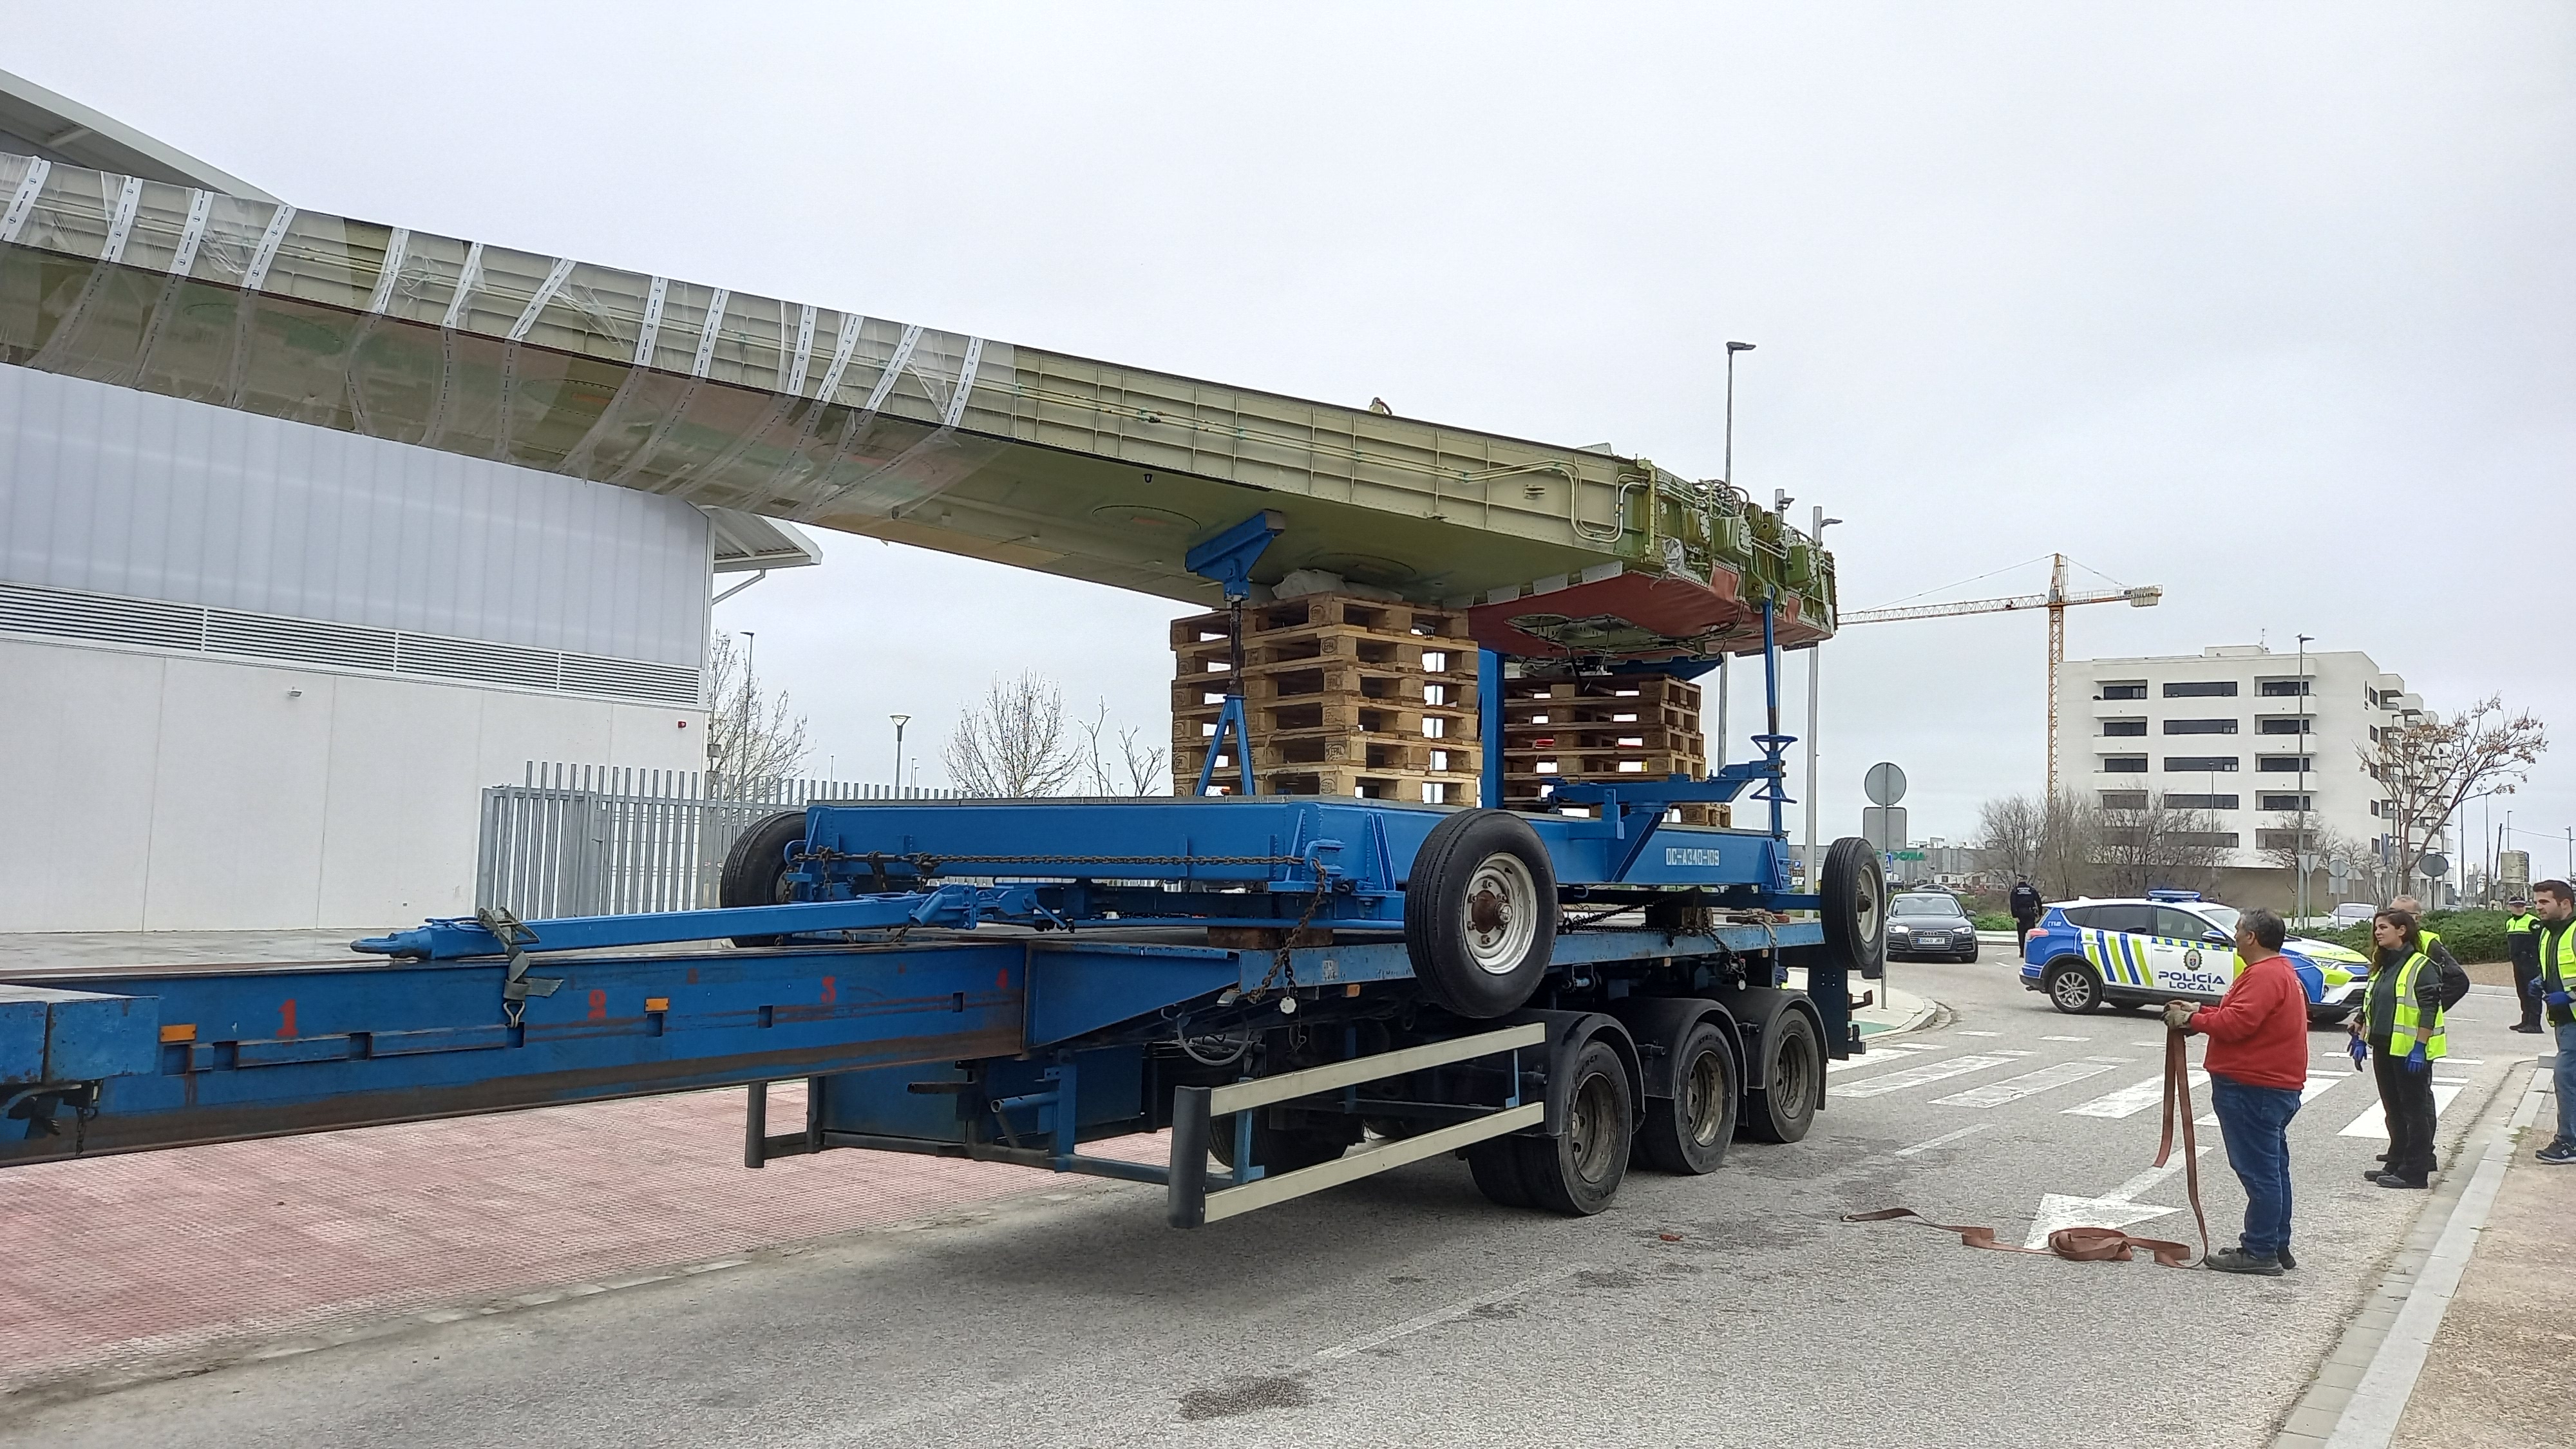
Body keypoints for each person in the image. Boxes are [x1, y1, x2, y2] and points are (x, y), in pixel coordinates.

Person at [2166, 906, 2309, 1276]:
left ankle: (2261, 1250)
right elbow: (2245, 1017)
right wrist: (2203, 1012)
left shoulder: (2263, 975)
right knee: (2273, 1169)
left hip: (2253, 1085)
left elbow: (2239, 1024)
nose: (2234, 935)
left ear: (2251, 937)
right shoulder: (2279, 971)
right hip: (2270, 1084)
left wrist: (2192, 1020)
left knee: (2260, 1171)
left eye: (2238, 929)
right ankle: (2275, 1244)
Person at [2353, 908, 2448, 1188]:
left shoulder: (2421, 965)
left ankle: (2415, 1171)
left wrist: (2420, 1047)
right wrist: (2359, 1029)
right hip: (2384, 1044)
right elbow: (2373, 1000)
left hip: (2408, 1051)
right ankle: (2397, 1159)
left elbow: (2430, 1008)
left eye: (2383, 927)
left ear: (2402, 930)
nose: (2378, 933)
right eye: (2376, 928)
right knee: (2393, 1108)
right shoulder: (2383, 963)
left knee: (2414, 1110)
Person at [2530, 880, 2576, 1165]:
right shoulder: (2549, 934)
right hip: (2564, 1021)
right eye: (2537, 902)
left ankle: (2568, 1142)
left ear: (2565, 904)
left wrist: (2569, 995)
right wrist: (2541, 982)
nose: (2538, 908)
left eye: (2544, 902)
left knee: (2565, 1078)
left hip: (2572, 1020)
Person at [2505, 897, 2543, 1034]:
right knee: (2522, 992)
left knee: (2532, 992)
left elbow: (2540, 942)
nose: (2519, 907)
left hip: (2530, 962)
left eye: (2521, 905)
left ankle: (2535, 1024)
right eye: (2516, 905)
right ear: (2510, 907)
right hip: (2518, 963)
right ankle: (2525, 1020)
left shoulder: (2533, 922)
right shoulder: (2509, 923)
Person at [2009, 876, 2043, 954]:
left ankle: (2022, 951)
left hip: (2020, 913)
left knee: (2021, 934)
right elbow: (2038, 901)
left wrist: (2015, 916)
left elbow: (2013, 904)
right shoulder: (2031, 890)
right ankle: (2031, 951)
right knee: (2031, 933)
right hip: (2030, 912)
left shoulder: (2015, 890)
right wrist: (2040, 914)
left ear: (2019, 880)